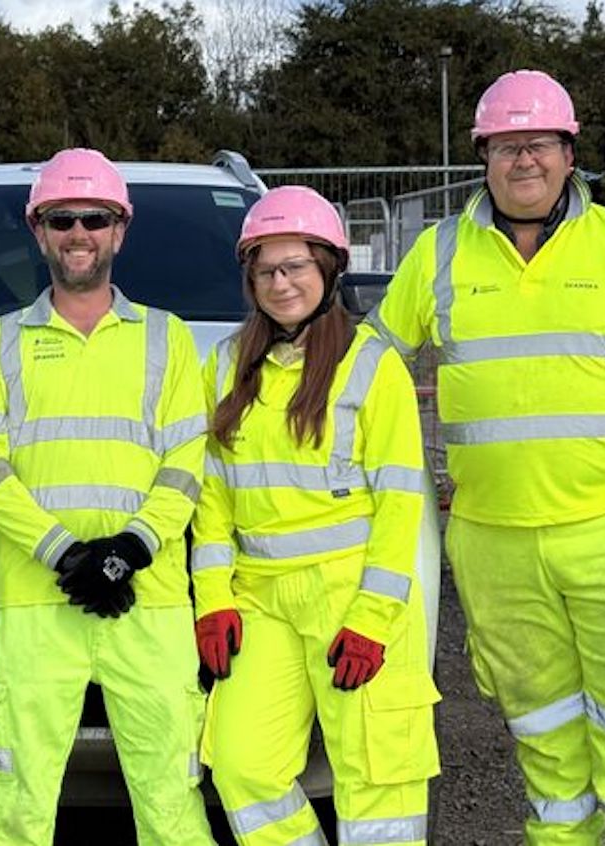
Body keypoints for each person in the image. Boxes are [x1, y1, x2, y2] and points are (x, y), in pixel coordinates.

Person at [371, 69, 605, 845]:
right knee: (543, 737)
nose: (525, 159)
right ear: (483, 158)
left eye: (540, 143)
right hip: (495, 543)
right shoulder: (438, 254)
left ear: (569, 153)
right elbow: (371, 366)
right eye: (506, 145)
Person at [0, 148, 215, 846]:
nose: (79, 233)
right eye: (62, 219)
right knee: (16, 803)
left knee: (171, 800)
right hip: (37, 601)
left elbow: (186, 466)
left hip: (149, 603)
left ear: (120, 230)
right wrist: (66, 554)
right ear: (38, 231)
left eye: (94, 219)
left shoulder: (168, 338)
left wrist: (130, 549)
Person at [192, 186, 439, 845]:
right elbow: (211, 499)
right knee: (242, 764)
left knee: (377, 783)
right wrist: (213, 601)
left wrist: (372, 620)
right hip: (261, 602)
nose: (281, 283)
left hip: (351, 598)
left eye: (296, 266)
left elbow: (400, 506)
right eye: (266, 270)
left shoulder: (371, 366)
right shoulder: (225, 366)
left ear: (329, 269)